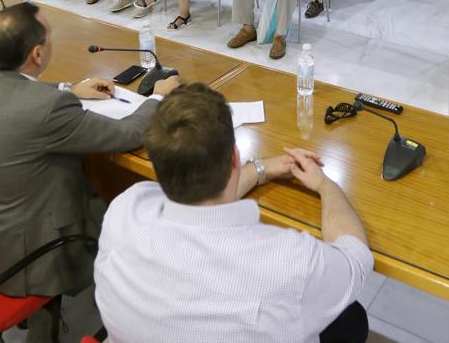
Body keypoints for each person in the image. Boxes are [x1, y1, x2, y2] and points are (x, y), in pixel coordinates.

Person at [0, 1, 179, 342]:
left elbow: (14, 89)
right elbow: (128, 136)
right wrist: (159, 98)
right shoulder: (47, 110)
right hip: (30, 256)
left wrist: (66, 88)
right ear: (38, 53)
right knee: (134, 206)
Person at [94, 83, 371, 343]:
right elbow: (355, 259)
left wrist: (262, 169)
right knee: (351, 317)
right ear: (235, 158)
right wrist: (325, 185)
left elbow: (199, 205)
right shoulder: (288, 260)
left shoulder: (125, 209)